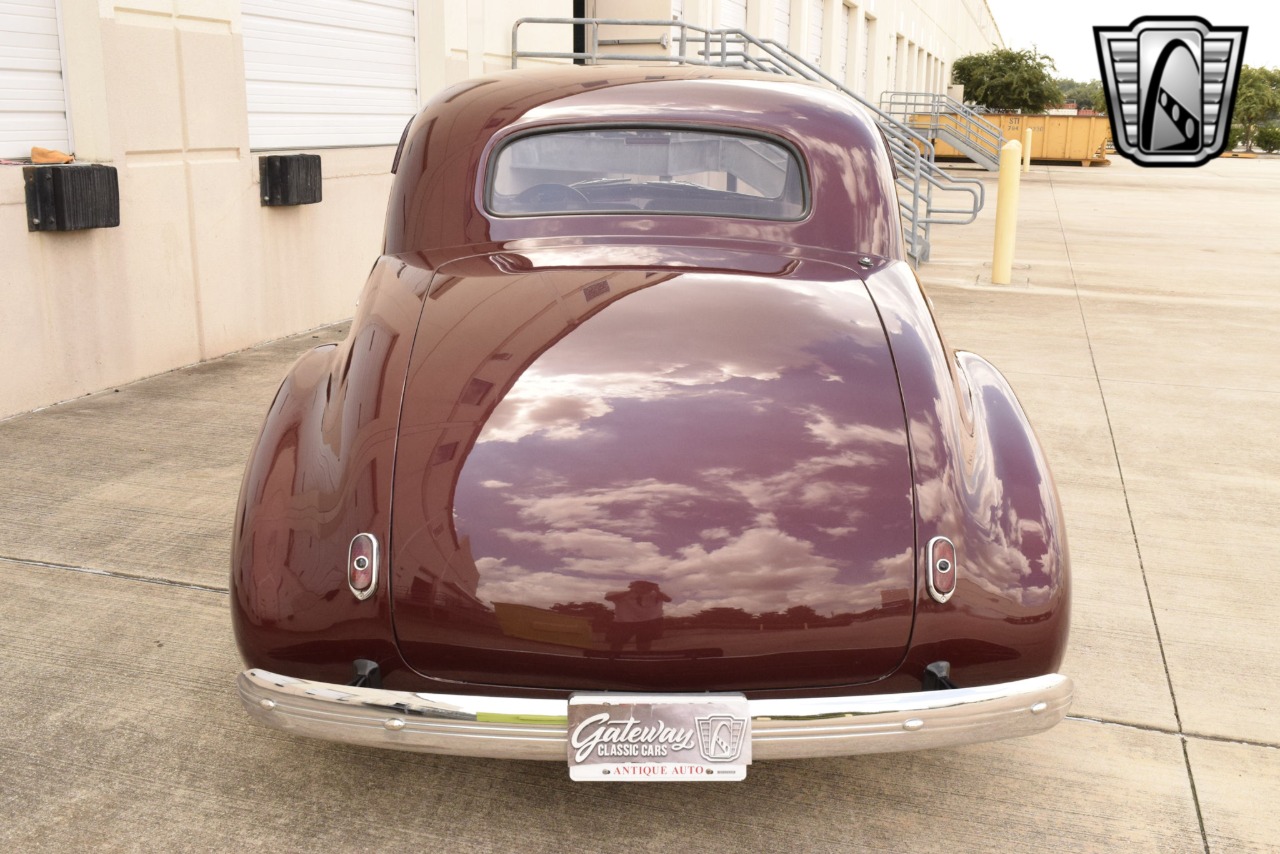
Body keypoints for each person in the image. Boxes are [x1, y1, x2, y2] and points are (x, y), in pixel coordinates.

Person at [604, 580, 671, 653]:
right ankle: (614, 658)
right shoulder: (622, 594)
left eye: (648, 587)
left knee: (644, 643)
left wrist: (657, 591)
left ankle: (642, 658)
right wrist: (631, 591)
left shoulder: (656, 595)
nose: (645, 588)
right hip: (624, 622)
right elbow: (608, 597)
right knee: (617, 643)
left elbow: (668, 600)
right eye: (642, 586)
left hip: (649, 622)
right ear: (632, 587)